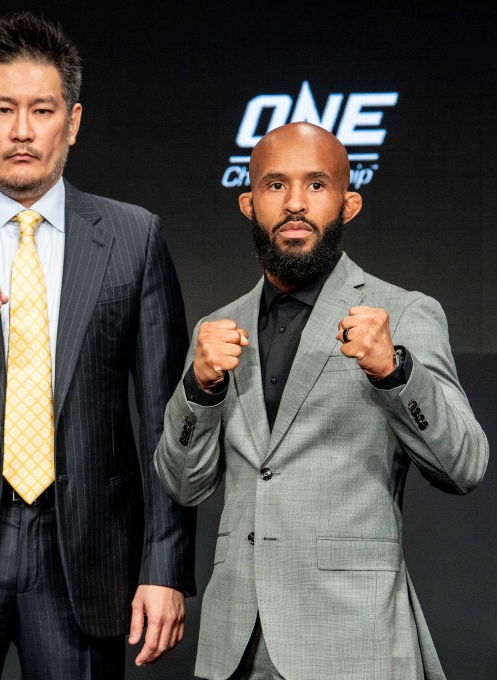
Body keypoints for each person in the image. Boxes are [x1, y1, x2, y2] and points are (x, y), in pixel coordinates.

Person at [0, 12, 193, 679]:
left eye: (42, 110)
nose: (22, 131)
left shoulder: (134, 238)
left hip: (85, 556)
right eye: (3, 109)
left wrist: (164, 565)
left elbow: (167, 418)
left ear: (72, 122)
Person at [155, 121, 488, 680]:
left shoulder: (402, 314)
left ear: (348, 203)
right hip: (236, 645)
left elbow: (465, 465)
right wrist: (199, 388)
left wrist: (394, 372)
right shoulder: (217, 327)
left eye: (316, 185)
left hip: (352, 639)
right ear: (248, 202)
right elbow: (184, 483)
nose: (294, 204)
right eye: (275, 185)